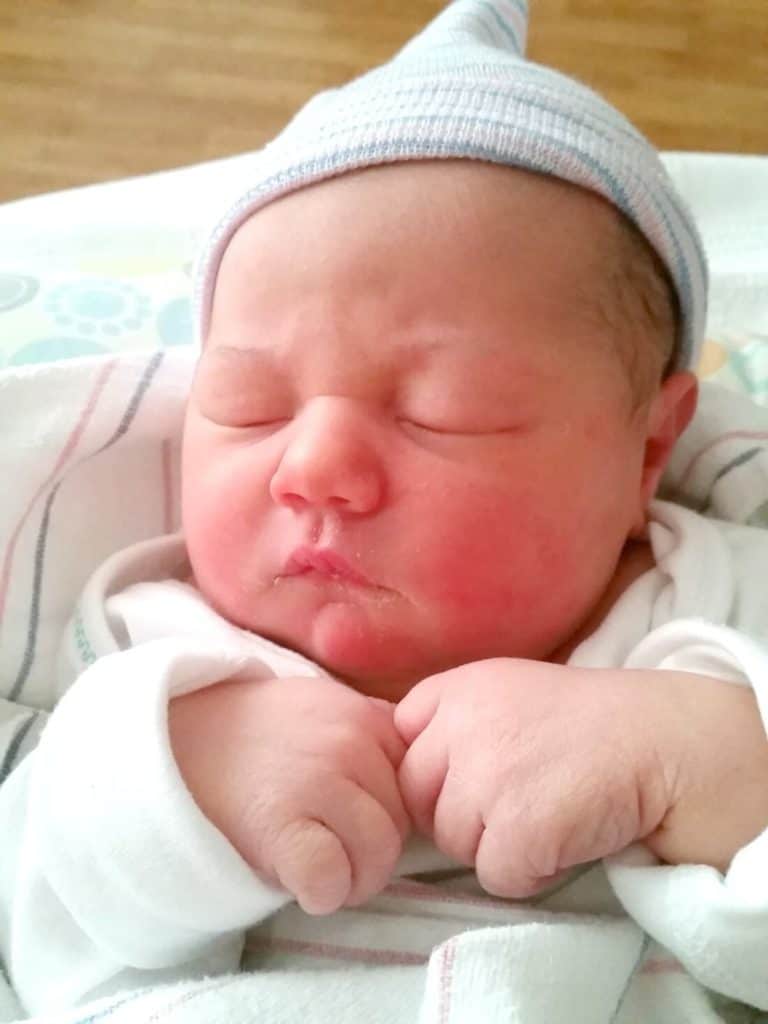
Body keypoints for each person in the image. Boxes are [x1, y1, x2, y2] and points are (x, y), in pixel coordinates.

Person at [3, 1, 768, 1020]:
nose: (313, 465)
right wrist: (161, 797)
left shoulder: (719, 621)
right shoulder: (147, 650)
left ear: (649, 450)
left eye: (444, 411)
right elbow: (34, 939)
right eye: (249, 402)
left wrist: (703, 763)